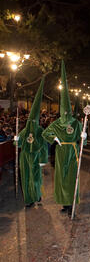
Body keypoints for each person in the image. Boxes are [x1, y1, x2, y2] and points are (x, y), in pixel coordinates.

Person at [42, 61, 86, 216]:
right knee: (61, 177)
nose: (66, 113)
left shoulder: (76, 122)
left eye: (68, 110)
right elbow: (45, 134)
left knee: (71, 177)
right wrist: (55, 139)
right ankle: (65, 203)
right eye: (64, 110)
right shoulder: (56, 123)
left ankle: (72, 203)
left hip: (73, 151)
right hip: (61, 152)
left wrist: (83, 136)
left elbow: (83, 141)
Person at [15, 78, 48, 208]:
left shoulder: (40, 130)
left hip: (35, 156)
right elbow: (17, 144)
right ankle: (28, 198)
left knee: (35, 179)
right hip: (24, 156)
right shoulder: (25, 130)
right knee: (25, 178)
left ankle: (36, 195)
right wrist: (16, 140)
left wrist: (43, 160)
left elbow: (44, 146)